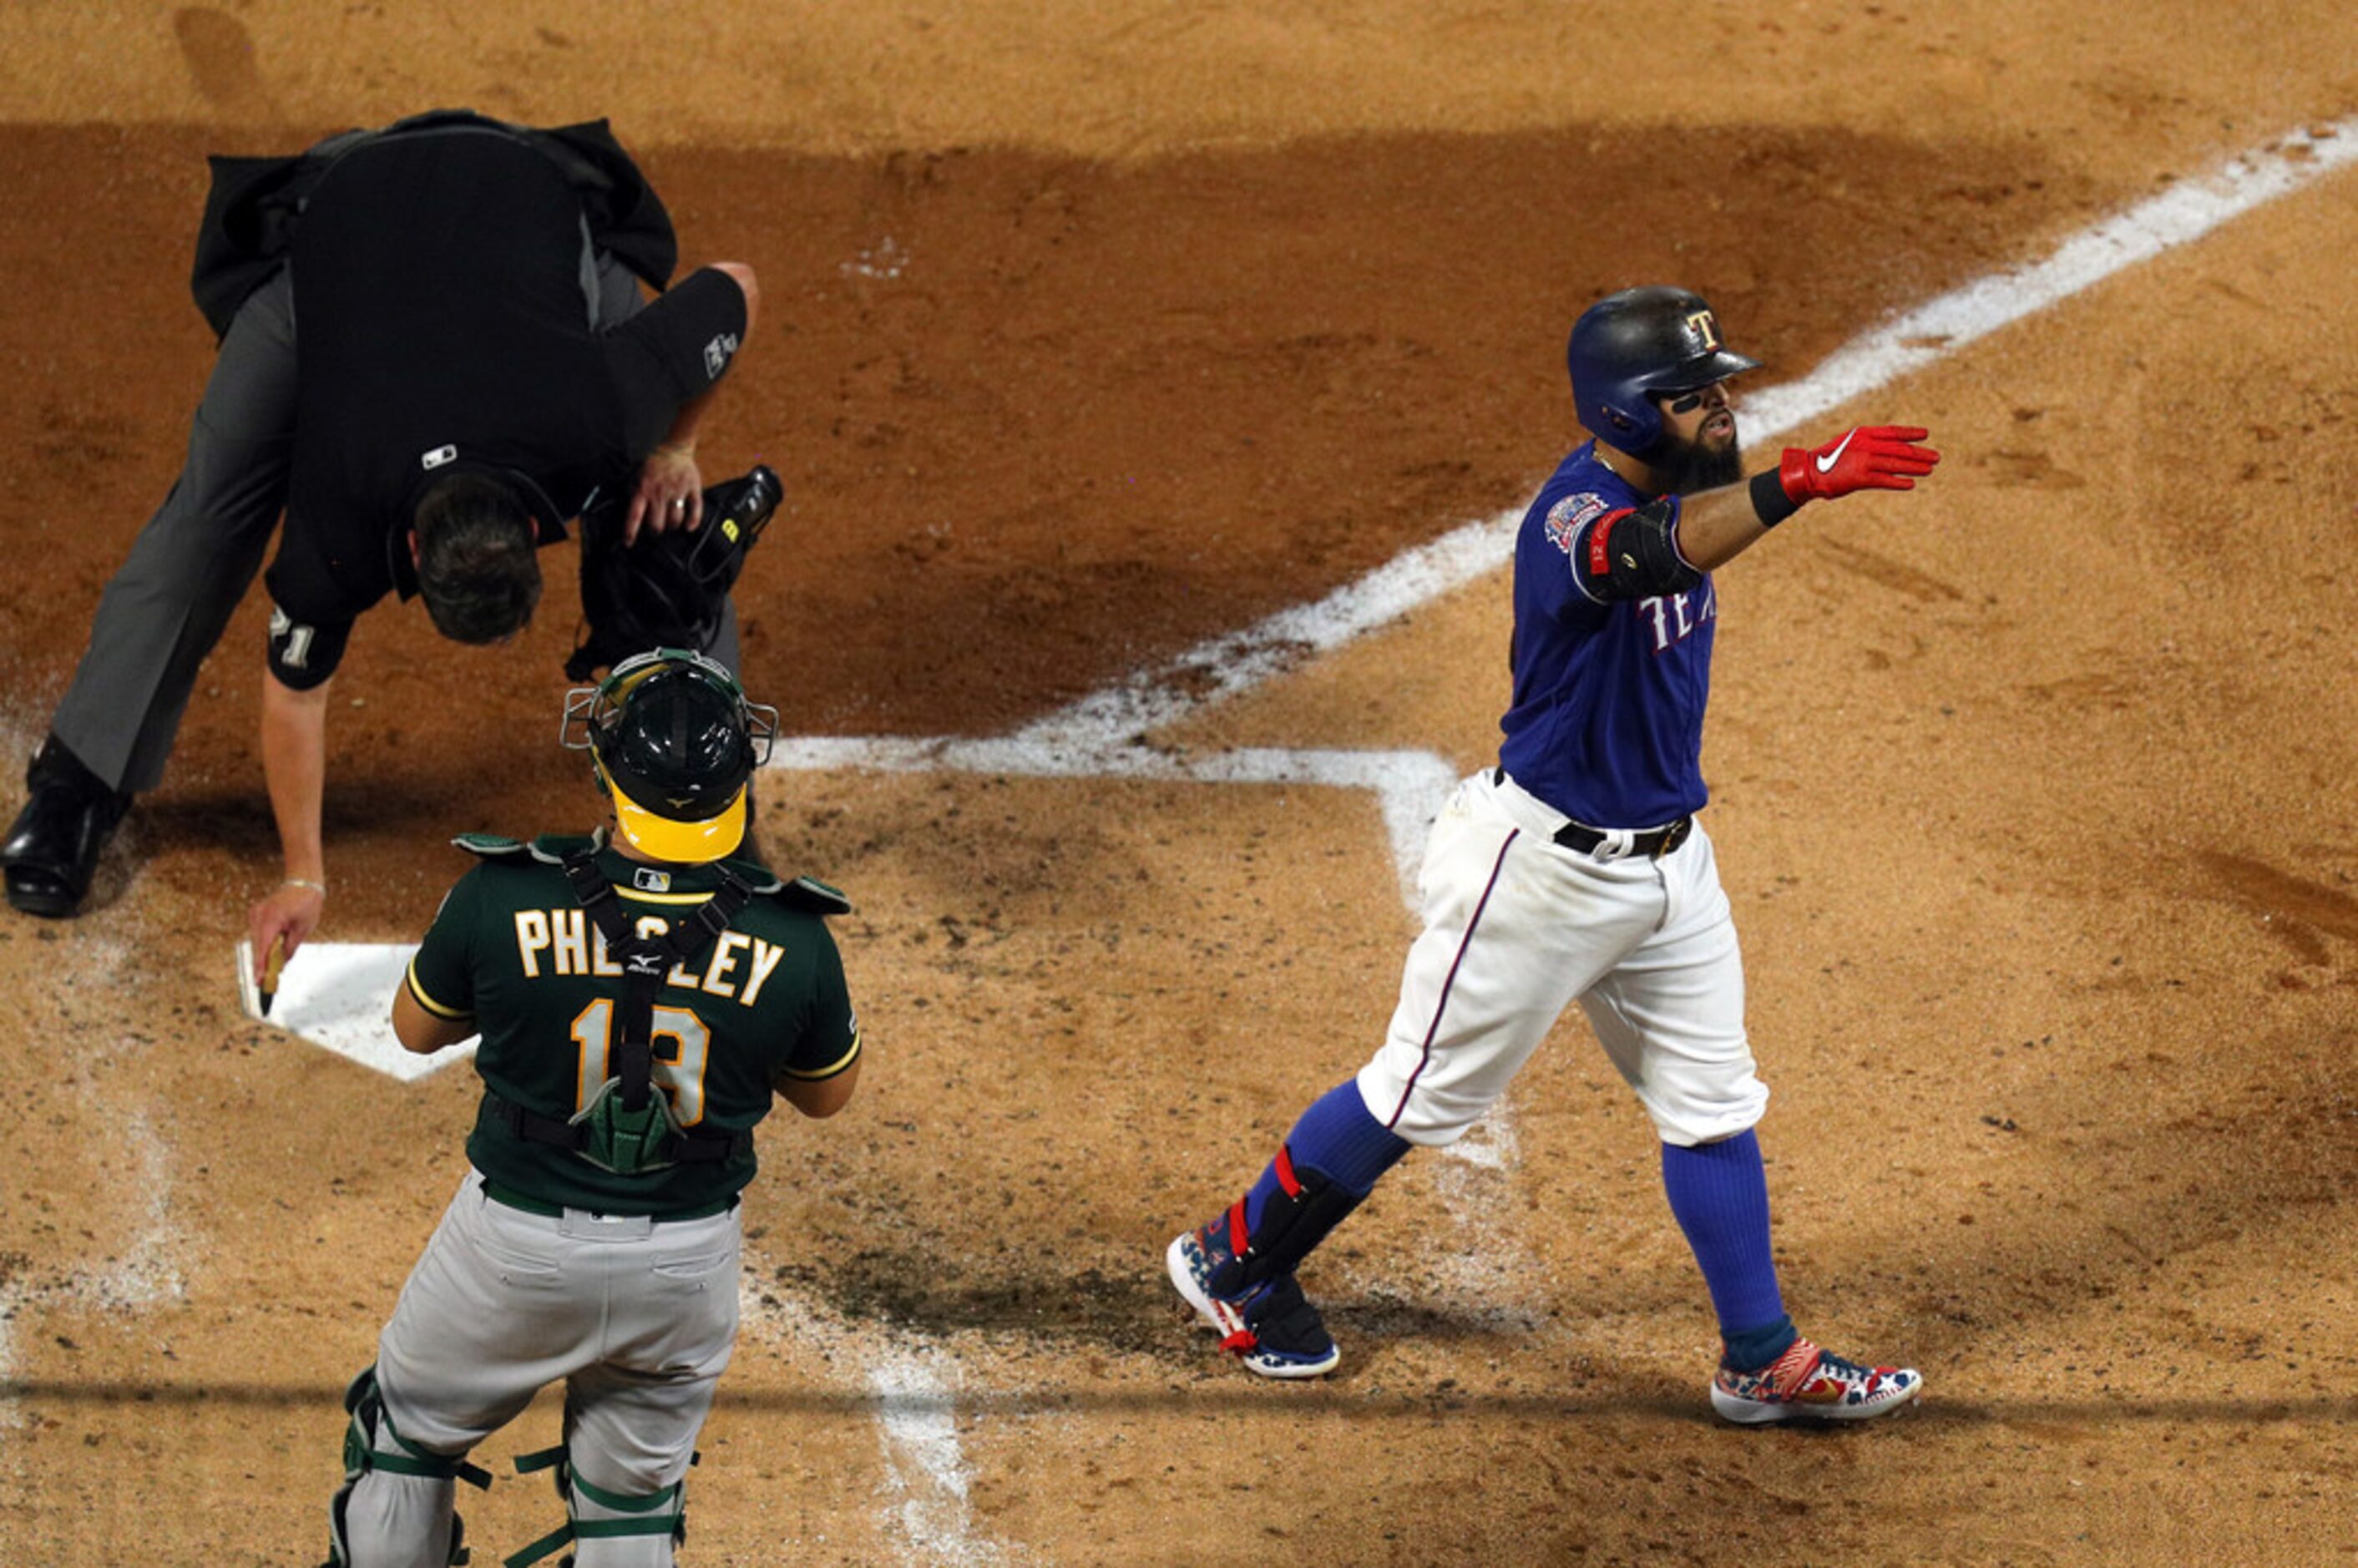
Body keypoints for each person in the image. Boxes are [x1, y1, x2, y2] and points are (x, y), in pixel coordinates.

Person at [1166, 286, 1942, 1424]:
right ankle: (1233, 1260)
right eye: (1694, 396)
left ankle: (1760, 1356)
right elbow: (1641, 559)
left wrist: (1767, 473)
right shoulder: (1573, 519)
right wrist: (1802, 479)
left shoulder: (1687, 483)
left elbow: (1693, 521)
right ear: (1628, 415)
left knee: (1713, 1102)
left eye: (1724, 387)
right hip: (1540, 875)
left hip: (1673, 870)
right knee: (1418, 1091)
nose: (1723, 412)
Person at [0, 109, 762, 974]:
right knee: (205, 529)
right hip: (344, 231)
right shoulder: (340, 504)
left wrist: (674, 449)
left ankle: (703, 805)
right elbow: (295, 693)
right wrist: (304, 875)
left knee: (659, 537)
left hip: (524, 204)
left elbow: (733, 285)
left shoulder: (601, 407)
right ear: (401, 544)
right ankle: (76, 785)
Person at [320, 648, 861, 1567]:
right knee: (632, 1506)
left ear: (608, 775)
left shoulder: (500, 895)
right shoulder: (795, 937)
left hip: (513, 1256)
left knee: (404, 1437)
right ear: (739, 781)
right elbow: (827, 1095)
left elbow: (415, 1029)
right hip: (685, 1273)